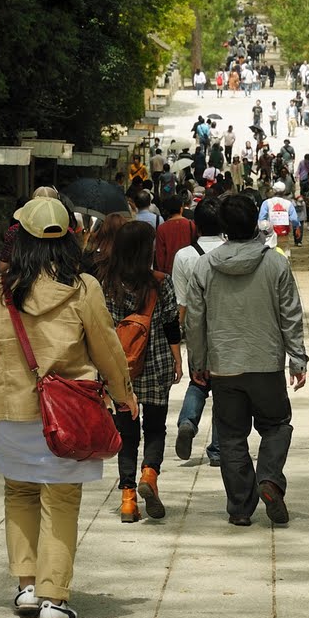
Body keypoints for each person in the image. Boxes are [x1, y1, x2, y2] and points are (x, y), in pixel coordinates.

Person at [0, 197, 138, 618]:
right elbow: (107, 346)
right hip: (67, 415)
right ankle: (55, 598)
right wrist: (122, 391)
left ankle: (27, 587)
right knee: (62, 499)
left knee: (19, 493)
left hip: (7, 414)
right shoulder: (84, 287)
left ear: (19, 240)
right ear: (68, 240)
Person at [184, 193, 308, 527]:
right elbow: (291, 315)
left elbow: (194, 319)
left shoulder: (204, 266)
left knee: (231, 436)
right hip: (266, 363)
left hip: (224, 366)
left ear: (223, 227)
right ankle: (268, 478)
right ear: (256, 221)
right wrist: (297, 359)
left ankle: (240, 507)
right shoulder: (276, 262)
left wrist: (197, 362)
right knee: (277, 425)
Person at [101, 220, 182, 523]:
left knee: (127, 433)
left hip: (122, 370)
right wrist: (177, 359)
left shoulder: (107, 285)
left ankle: (127, 499)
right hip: (157, 364)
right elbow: (171, 324)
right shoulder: (161, 281)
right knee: (156, 428)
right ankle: (149, 474)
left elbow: (103, 330)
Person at [172, 199, 225, 467]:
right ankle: (217, 450)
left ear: (195, 225)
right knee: (226, 391)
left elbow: (180, 303)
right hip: (227, 329)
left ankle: (187, 422)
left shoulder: (184, 256)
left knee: (198, 382)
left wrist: (177, 344)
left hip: (196, 329)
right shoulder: (230, 252)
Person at [154, 195, 197, 275]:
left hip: (169, 270)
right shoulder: (191, 225)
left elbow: (160, 255)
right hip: (187, 267)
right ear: (181, 209)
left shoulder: (162, 228)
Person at [258, 181, 300, 258]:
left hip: (269, 235)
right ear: (284, 191)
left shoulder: (266, 203)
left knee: (270, 255)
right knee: (284, 254)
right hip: (284, 234)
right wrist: (297, 228)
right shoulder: (288, 203)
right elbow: (294, 219)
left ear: (273, 191)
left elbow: (261, 219)